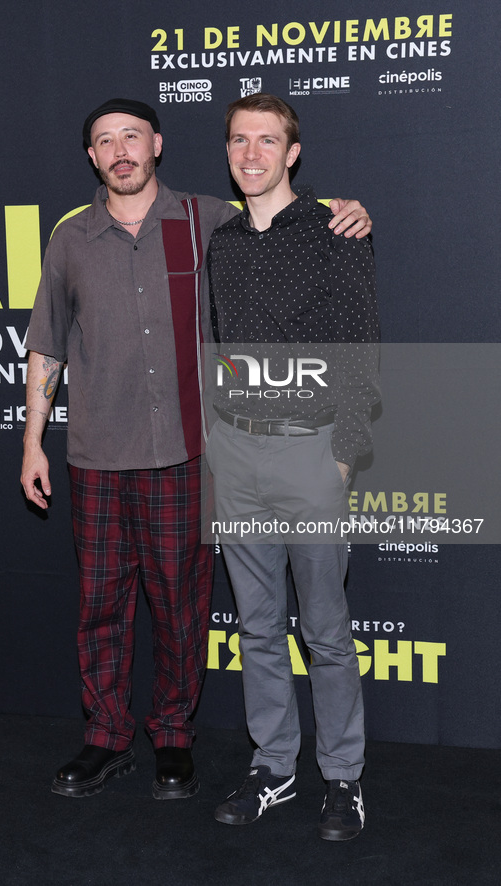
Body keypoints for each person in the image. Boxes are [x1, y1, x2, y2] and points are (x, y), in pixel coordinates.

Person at [20, 96, 373, 802]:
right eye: (104, 141)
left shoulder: (204, 219)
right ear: (92, 157)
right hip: (109, 452)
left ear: (155, 144)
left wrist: (350, 208)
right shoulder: (75, 238)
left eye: (131, 136)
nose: (119, 150)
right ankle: (112, 736)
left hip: (196, 452)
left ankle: (181, 738)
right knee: (111, 606)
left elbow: (288, 215)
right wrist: (31, 440)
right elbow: (46, 343)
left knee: (204, 610)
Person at [205, 93, 379, 839]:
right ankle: (273, 765)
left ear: (292, 152)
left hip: (311, 452)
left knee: (327, 631)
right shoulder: (223, 241)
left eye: (266, 141)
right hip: (238, 451)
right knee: (256, 627)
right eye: (239, 140)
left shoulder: (335, 229)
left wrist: (340, 458)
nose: (251, 154)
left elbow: (357, 349)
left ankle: (342, 777)